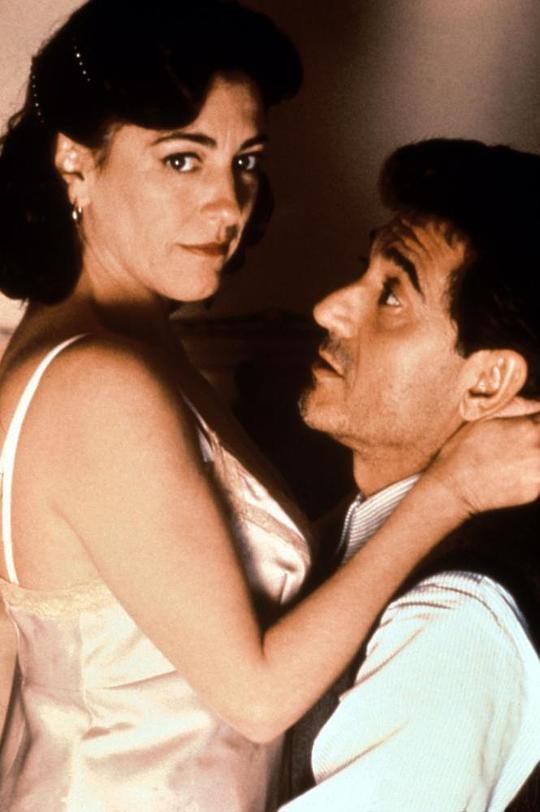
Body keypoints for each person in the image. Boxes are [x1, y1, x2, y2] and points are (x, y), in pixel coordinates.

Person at [0, 1, 538, 806]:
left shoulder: (122, 347)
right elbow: (253, 698)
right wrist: (449, 490)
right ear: (75, 162)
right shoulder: (99, 381)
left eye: (245, 161)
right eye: (183, 160)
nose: (228, 205)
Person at [281, 138, 540, 812]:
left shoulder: (451, 626)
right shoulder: (345, 528)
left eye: (391, 295)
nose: (329, 308)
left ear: (487, 383)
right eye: (361, 274)